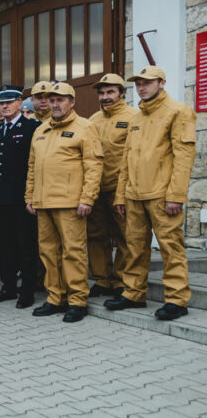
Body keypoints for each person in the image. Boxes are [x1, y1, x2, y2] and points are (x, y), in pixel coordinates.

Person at [106, 66, 197, 321]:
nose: (142, 87)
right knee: (135, 247)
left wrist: (176, 195)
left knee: (170, 248)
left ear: (162, 83)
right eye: (138, 83)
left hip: (161, 195)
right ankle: (134, 293)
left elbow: (184, 158)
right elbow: (126, 161)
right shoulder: (136, 118)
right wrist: (121, 196)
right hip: (134, 195)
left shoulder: (178, 112)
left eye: (147, 82)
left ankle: (176, 300)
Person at [25, 82, 103, 323]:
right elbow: (32, 168)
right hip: (43, 202)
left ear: (72, 102)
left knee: (73, 253)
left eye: (60, 100)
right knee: (48, 253)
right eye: (52, 100)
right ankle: (55, 298)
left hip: (71, 204)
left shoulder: (85, 127)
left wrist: (87, 198)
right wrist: (29, 196)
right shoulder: (41, 130)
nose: (55, 104)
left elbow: (94, 166)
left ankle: (77, 301)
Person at [0, 85, 40, 308]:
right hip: (0, 200)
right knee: (5, 246)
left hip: (22, 199)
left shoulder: (32, 128)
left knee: (26, 246)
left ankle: (27, 290)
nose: (4, 107)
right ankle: (8, 287)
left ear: (19, 103)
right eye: (1, 103)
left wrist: (33, 196)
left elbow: (36, 166)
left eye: (9, 102)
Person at [86, 73, 137, 297]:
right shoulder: (93, 120)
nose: (105, 97)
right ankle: (102, 280)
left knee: (125, 236)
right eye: (102, 93)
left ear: (122, 93)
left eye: (110, 92)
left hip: (121, 189)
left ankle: (121, 281)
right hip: (96, 189)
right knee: (96, 236)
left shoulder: (134, 117)